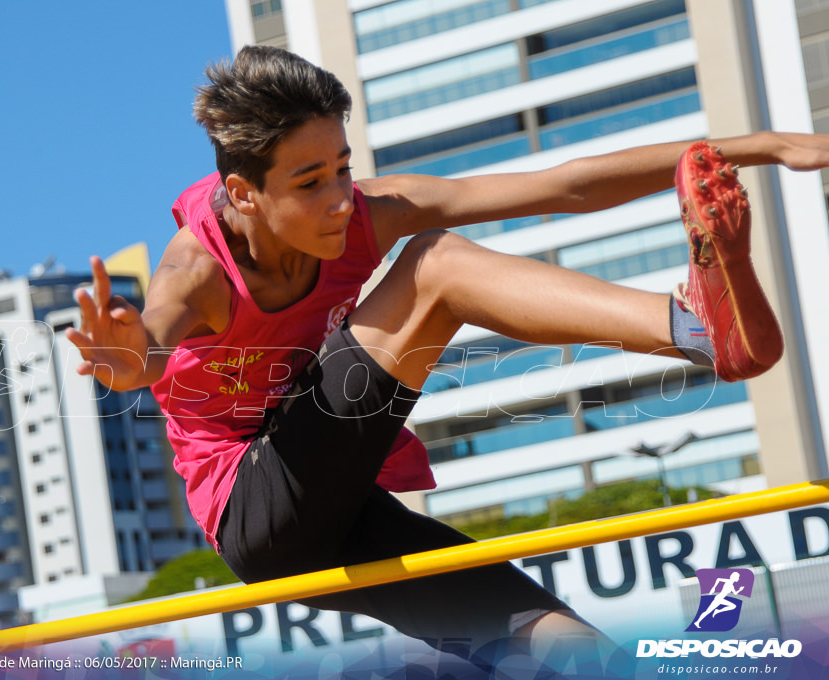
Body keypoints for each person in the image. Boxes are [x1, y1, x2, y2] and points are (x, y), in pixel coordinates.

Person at [67, 45, 828, 675]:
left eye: (342, 166)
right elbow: (143, 350)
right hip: (256, 509)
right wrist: (125, 358)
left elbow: (558, 187)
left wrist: (765, 146)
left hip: (343, 512)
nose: (340, 199)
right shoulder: (195, 272)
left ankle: (707, 336)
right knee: (434, 266)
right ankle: (698, 331)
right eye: (309, 182)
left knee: (564, 643)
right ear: (244, 193)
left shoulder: (366, 214)